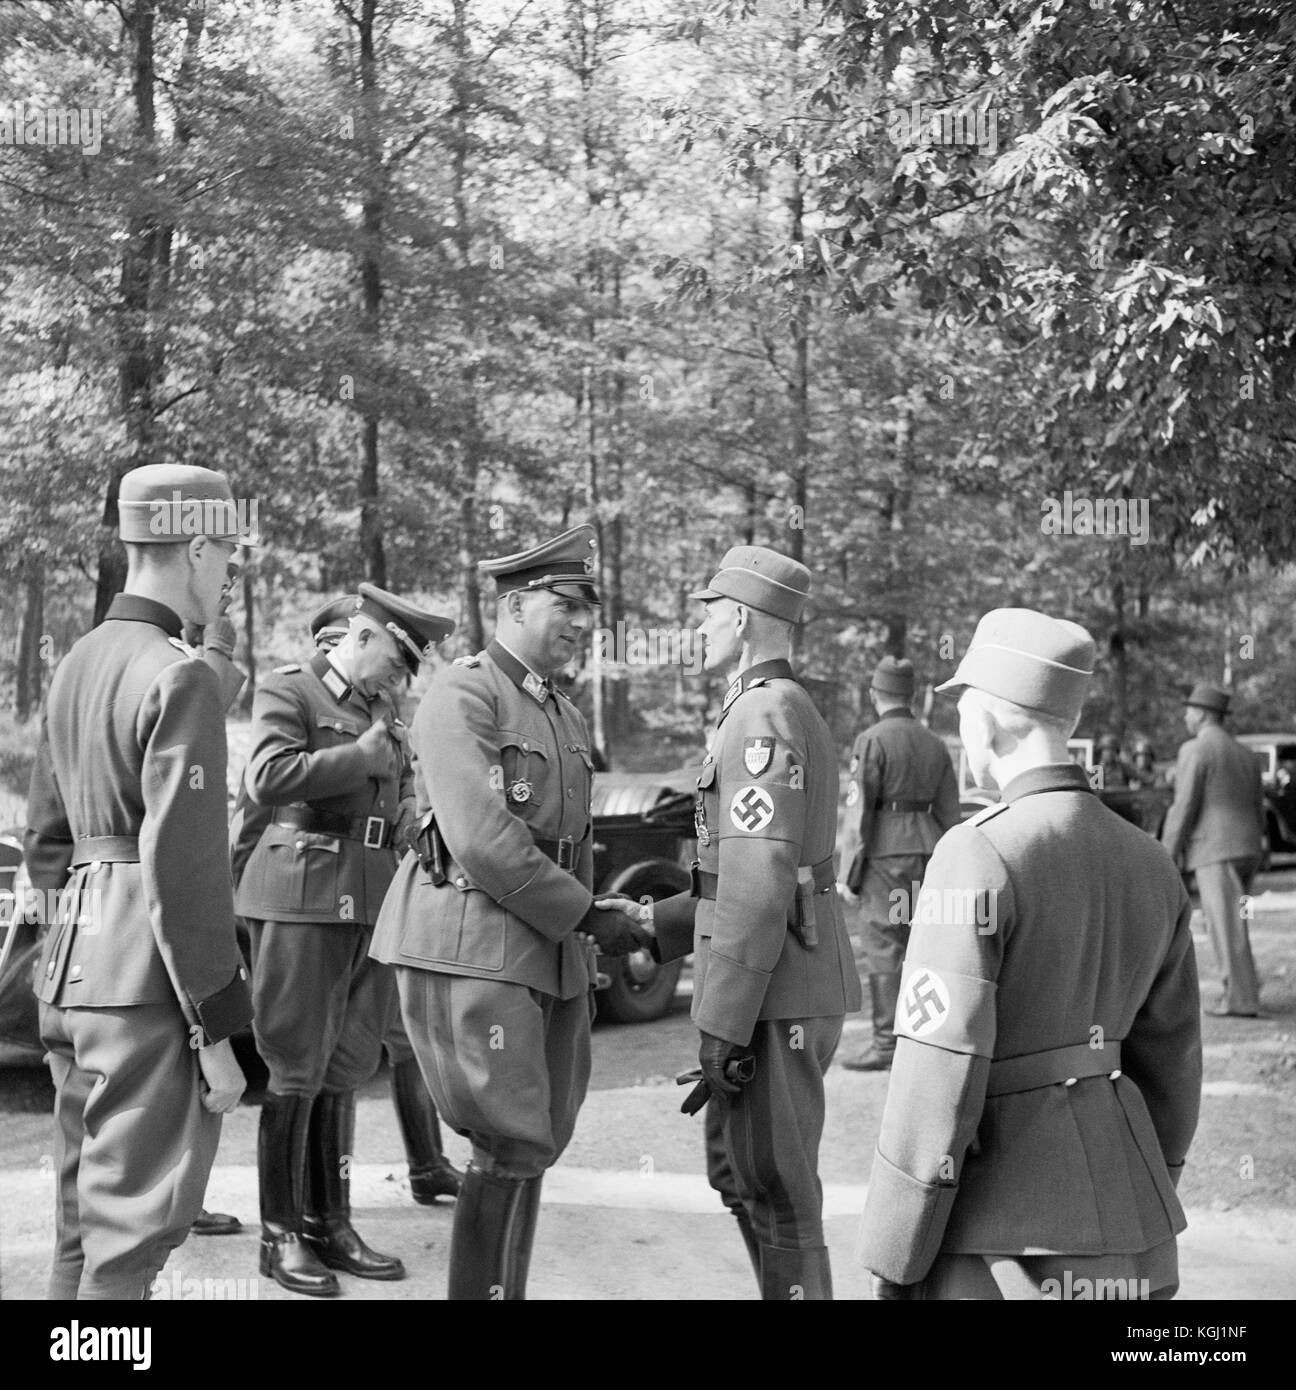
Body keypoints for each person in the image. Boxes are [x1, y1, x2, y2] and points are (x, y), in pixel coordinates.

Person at [857, 608, 1201, 1300]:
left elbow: (937, 1073)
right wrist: (1145, 1175)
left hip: (1002, 1242)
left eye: (964, 714)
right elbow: (1174, 1061)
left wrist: (896, 1251)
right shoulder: (1150, 860)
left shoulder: (976, 851)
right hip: (1134, 1233)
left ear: (986, 722)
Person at [369, 525, 651, 1300]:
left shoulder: (557, 710)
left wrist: (590, 921)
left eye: (590, 609)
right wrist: (589, 915)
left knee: (534, 1145)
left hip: (541, 945)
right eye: (568, 604)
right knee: (508, 1144)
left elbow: (571, 843)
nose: (584, 623)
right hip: (475, 942)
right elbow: (485, 841)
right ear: (517, 603)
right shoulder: (466, 692)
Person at [25, 463, 254, 1300]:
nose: (228, 571)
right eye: (227, 552)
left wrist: (50, 950)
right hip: (145, 984)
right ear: (194, 546)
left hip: (73, 970)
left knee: (82, 1231)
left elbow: (46, 834)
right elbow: (184, 868)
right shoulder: (178, 671)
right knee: (131, 1240)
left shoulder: (78, 660)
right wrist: (217, 1031)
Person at [646, 545, 862, 1300]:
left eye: (707, 614)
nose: (699, 629)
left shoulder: (764, 714)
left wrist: (724, 1022)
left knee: (775, 1183)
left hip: (776, 987)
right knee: (738, 1171)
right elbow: (732, 873)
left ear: (739, 619)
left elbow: (763, 880)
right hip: (773, 975)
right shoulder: (767, 706)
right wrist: (660, 925)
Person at [236, 583, 454, 1296]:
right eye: (397, 660)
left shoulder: (379, 708)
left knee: (344, 1067)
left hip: (369, 899)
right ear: (360, 638)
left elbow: (394, 794)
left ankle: (331, 1222)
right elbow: (264, 779)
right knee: (295, 1067)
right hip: (301, 897)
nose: (402, 678)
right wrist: (357, 759)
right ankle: (280, 1235)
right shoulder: (289, 690)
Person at [838, 656, 960, 1071]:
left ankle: (887, 1045)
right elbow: (950, 811)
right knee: (925, 943)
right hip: (930, 850)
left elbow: (859, 814)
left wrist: (847, 875)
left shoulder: (871, 739)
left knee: (885, 943)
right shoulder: (935, 742)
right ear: (909, 696)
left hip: (885, 854)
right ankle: (927, 1039)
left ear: (875, 695)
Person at [1161, 683, 1266, 1018]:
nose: (1185, 715)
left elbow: (1184, 806)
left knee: (1224, 924)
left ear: (1203, 714)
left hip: (1215, 848)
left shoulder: (1195, 749)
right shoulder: (1245, 753)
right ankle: (1245, 990)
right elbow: (1258, 806)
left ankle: (1241, 1000)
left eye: (1189, 710)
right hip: (1247, 847)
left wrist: (1165, 855)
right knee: (1235, 923)